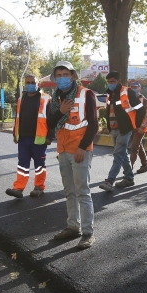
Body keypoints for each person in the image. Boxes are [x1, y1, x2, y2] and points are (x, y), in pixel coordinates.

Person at [47, 61, 98, 249]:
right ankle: (72, 226)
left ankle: (87, 233)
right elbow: (51, 123)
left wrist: (82, 148)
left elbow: (93, 125)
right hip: (62, 150)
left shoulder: (86, 94)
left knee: (82, 192)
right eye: (58, 75)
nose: (62, 78)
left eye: (65, 74)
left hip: (79, 150)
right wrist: (60, 111)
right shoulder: (56, 99)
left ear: (73, 76)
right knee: (69, 192)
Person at [6, 74, 53, 198]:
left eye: (33, 82)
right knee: (22, 164)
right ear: (25, 84)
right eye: (28, 82)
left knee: (39, 165)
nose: (30, 85)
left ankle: (39, 187)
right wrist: (15, 133)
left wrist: (50, 137)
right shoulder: (22, 99)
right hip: (23, 138)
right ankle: (18, 188)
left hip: (39, 138)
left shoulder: (46, 98)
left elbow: (51, 119)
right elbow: (18, 118)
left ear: (38, 84)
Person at [99, 72, 143, 191]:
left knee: (118, 155)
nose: (110, 84)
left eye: (112, 81)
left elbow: (141, 109)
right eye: (108, 82)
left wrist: (137, 125)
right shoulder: (110, 94)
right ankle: (129, 178)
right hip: (113, 129)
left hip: (124, 129)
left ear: (119, 81)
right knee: (122, 155)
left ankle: (109, 181)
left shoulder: (127, 92)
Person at [128, 81, 147, 174]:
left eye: (135, 87)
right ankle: (144, 165)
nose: (133, 89)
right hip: (132, 127)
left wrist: (142, 127)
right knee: (138, 145)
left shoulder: (144, 101)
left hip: (140, 128)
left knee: (134, 147)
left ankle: (129, 169)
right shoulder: (128, 100)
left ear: (139, 89)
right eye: (132, 87)